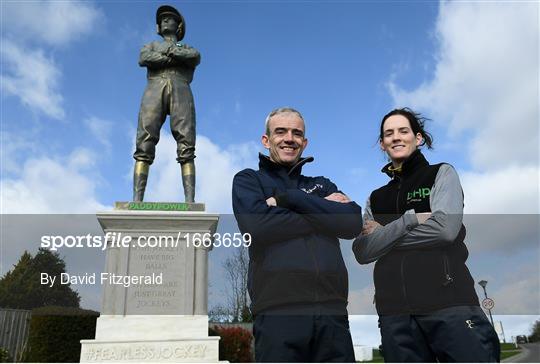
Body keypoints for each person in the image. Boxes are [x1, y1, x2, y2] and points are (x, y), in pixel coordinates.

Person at [352, 108, 500, 362]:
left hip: (450, 304)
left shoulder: (441, 174)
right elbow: (363, 250)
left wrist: (385, 237)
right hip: (395, 316)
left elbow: (444, 230)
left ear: (418, 138)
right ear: (382, 144)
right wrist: (409, 221)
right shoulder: (375, 198)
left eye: (403, 131)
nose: (396, 137)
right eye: (389, 133)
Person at [232, 107, 363, 362]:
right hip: (278, 312)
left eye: (296, 133)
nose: (289, 138)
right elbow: (257, 227)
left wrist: (288, 199)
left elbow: (351, 221)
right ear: (266, 140)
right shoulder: (249, 181)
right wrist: (323, 213)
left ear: (305, 142)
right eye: (280, 132)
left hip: (332, 312)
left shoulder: (322, 183)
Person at [132, 5, 200, 202]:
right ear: (158, 27)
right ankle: (137, 199)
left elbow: (194, 57)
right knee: (145, 137)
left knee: (187, 141)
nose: (165, 21)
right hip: (155, 86)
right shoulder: (151, 45)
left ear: (178, 26)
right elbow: (144, 58)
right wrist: (173, 57)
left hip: (181, 87)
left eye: (169, 19)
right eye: (162, 20)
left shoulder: (186, 47)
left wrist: (166, 55)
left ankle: (189, 201)